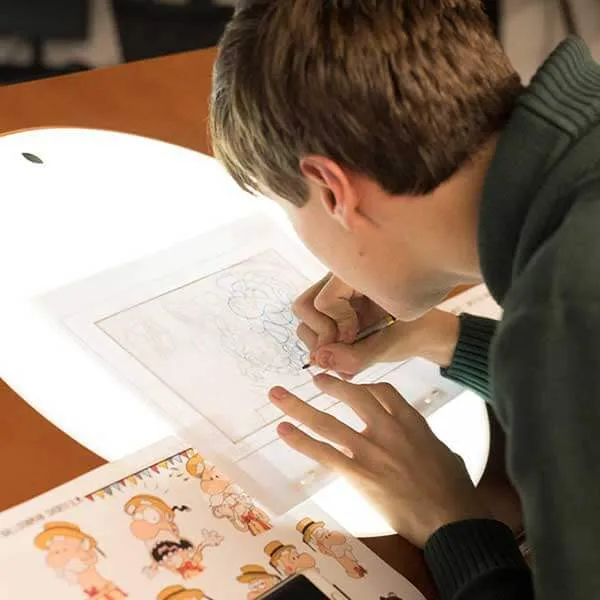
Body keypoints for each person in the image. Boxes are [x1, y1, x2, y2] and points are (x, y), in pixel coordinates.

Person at [209, 1, 600, 599]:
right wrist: (437, 334)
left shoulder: (561, 321)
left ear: (333, 190)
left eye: (292, 209)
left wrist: (449, 521)